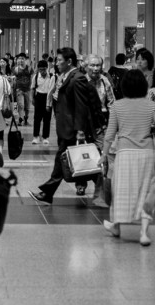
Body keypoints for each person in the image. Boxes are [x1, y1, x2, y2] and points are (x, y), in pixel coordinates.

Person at [29, 47, 104, 205]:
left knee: (68, 160)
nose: (57, 63)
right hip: (66, 127)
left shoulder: (77, 79)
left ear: (69, 62)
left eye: (59, 60)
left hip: (72, 129)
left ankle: (104, 190)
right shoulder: (67, 76)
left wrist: (80, 130)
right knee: (62, 160)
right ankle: (48, 193)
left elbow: (81, 106)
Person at [100, 70, 155, 246]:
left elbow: (109, 134)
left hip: (125, 153)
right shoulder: (151, 105)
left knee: (121, 191)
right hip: (147, 154)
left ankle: (116, 226)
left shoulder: (117, 106)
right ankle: (144, 232)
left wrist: (104, 154)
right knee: (145, 191)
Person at [79, 54, 115, 202]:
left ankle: (101, 187)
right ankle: (81, 183)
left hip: (101, 123)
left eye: (98, 65)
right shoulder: (80, 82)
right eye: (92, 65)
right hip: (84, 123)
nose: (95, 68)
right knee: (82, 154)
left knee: (103, 155)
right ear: (86, 67)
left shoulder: (105, 81)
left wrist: (113, 124)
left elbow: (112, 103)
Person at [31, 59, 55, 145]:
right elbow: (33, 88)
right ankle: (36, 136)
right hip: (39, 97)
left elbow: (53, 90)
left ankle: (45, 137)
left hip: (48, 98)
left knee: (47, 119)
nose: (42, 71)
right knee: (37, 118)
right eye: (40, 69)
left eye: (44, 69)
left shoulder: (52, 76)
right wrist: (32, 98)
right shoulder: (36, 77)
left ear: (47, 68)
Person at [12, 54, 32, 124]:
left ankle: (26, 117)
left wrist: (31, 87)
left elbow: (32, 78)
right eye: (19, 58)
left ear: (26, 60)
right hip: (19, 89)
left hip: (27, 90)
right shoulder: (16, 69)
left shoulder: (29, 68)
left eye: (23, 58)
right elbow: (14, 78)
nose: (21, 60)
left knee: (27, 107)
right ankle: (21, 118)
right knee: (21, 105)